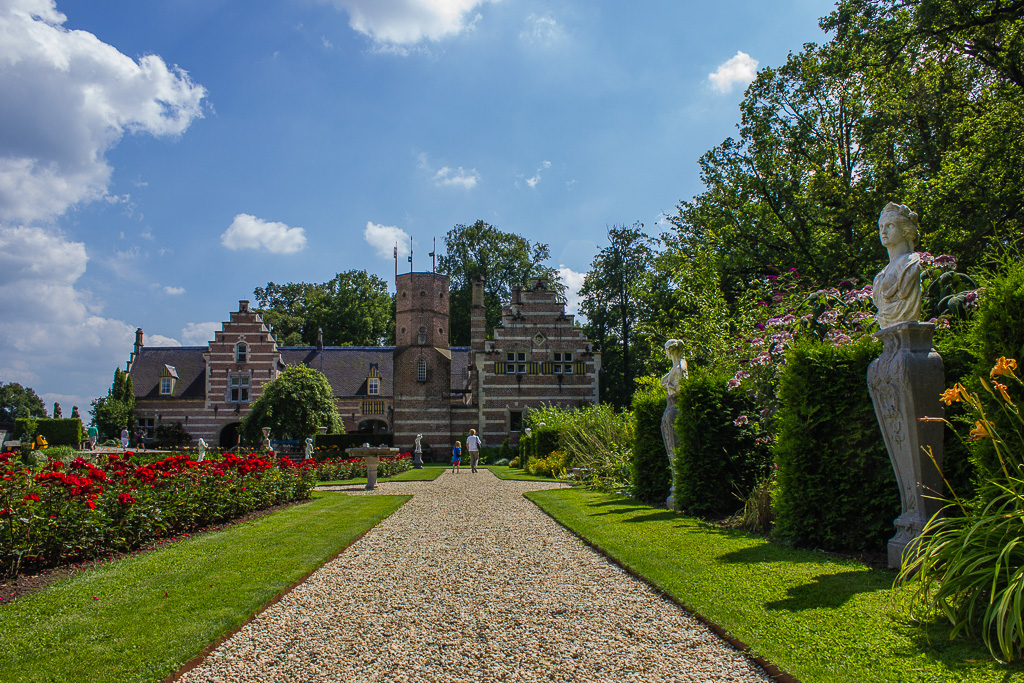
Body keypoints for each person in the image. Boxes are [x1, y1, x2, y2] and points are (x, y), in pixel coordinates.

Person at [872, 202, 923, 330]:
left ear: (905, 231)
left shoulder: (910, 264)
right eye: (881, 227)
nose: (883, 231)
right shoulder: (880, 275)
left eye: (890, 226)